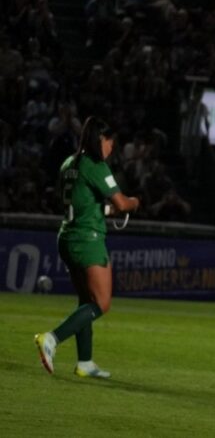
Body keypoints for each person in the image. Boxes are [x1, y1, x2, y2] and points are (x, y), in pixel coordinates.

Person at [34, 117, 141, 378]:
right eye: (110, 141)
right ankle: (52, 338)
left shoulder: (69, 164)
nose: (112, 146)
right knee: (102, 303)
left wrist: (106, 209)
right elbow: (123, 203)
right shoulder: (96, 165)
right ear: (100, 139)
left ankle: (85, 362)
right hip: (87, 239)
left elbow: (81, 203)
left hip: (67, 236)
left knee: (86, 300)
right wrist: (133, 202)